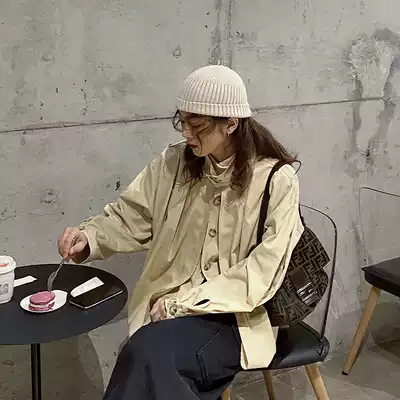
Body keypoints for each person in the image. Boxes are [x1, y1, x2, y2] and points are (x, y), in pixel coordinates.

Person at [57, 65, 304, 400]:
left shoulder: (276, 180)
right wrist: (90, 237)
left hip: (235, 319)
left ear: (231, 123)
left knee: (149, 354)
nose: (187, 132)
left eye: (197, 125)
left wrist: (182, 305)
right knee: (150, 360)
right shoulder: (174, 163)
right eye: (182, 121)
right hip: (165, 309)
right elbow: (133, 215)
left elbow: (263, 271)